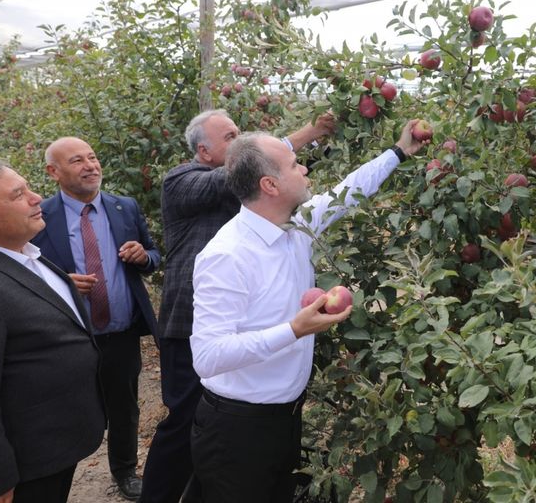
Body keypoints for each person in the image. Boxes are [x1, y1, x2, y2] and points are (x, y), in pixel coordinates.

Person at [188, 119, 426, 502]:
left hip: (283, 418)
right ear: (270, 185)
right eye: (295, 164)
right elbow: (207, 356)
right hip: (237, 430)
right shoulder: (227, 255)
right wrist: (293, 330)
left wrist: (398, 153)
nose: (304, 169)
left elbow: (347, 192)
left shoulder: (295, 225)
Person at [139, 109, 336, 503]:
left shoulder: (286, 226)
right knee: (184, 426)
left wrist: (397, 152)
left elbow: (336, 196)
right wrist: (305, 134)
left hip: (270, 405)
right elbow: (209, 357)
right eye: (230, 137)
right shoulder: (183, 182)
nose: (238, 141)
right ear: (204, 150)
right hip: (188, 327)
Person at [30, 137, 161, 501]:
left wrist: (143, 256)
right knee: (66, 408)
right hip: (69, 336)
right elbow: (26, 269)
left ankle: (124, 470)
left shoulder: (124, 208)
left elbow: (153, 254)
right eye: (77, 161)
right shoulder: (40, 215)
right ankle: (58, 476)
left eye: (92, 157)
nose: (90, 165)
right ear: (53, 172)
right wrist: (61, 283)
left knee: (124, 405)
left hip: (119, 332)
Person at [0, 159, 105, 503]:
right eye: (18, 195)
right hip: (25, 465)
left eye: (29, 188)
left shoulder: (29, 256)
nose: (36, 197)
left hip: (55, 447)